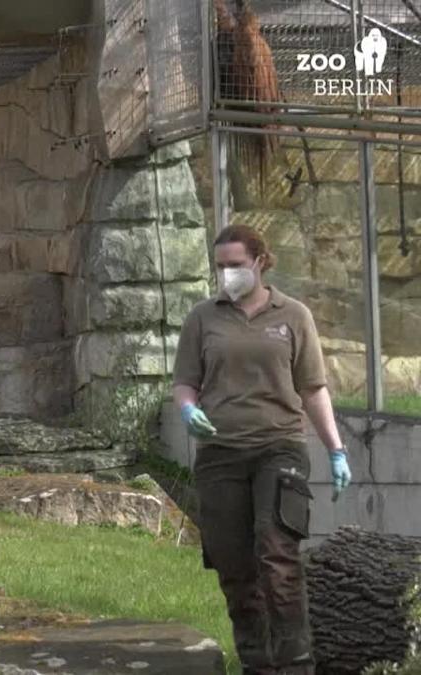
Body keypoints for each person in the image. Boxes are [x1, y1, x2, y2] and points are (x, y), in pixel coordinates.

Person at [172, 224, 352, 675]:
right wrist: (188, 410)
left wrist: (336, 449)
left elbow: (312, 388)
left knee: (277, 556)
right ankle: (257, 664)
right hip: (219, 451)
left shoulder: (293, 316)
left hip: (279, 446)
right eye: (220, 266)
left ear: (259, 262)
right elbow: (185, 383)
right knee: (234, 565)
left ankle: (295, 664)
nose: (227, 274)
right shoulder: (202, 318)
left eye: (235, 265)